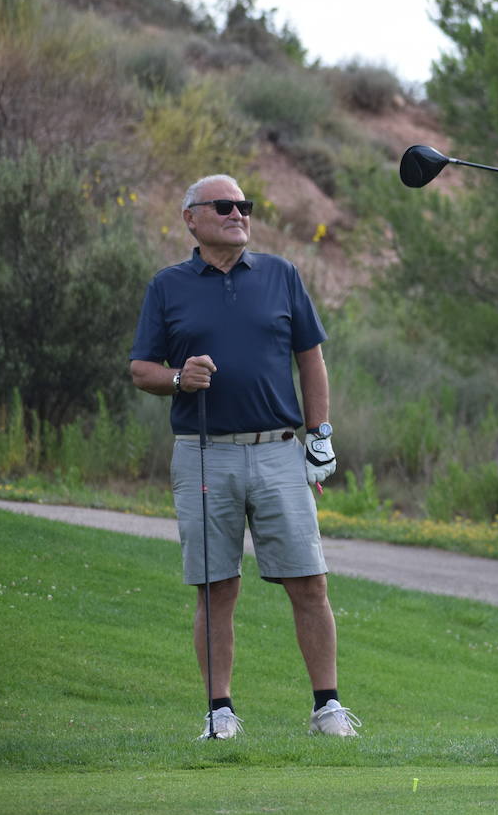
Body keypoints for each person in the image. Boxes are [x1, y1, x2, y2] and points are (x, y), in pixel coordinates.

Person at [129, 174, 359, 740]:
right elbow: (141, 370)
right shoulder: (168, 285)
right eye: (224, 206)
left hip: (280, 450)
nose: (238, 213)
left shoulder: (281, 275)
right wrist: (181, 377)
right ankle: (219, 713)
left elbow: (311, 359)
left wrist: (319, 433)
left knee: (310, 581)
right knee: (216, 586)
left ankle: (328, 709)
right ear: (192, 218)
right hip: (205, 455)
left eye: (244, 206)